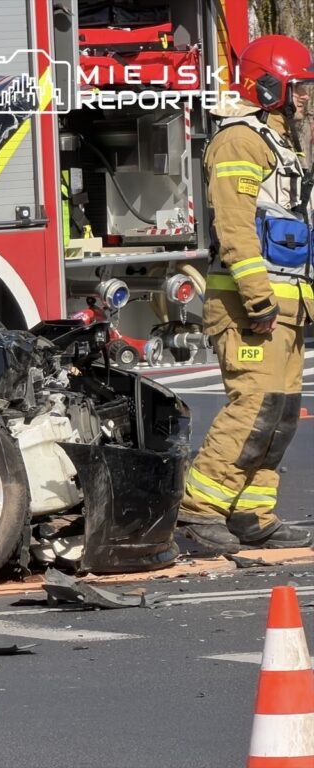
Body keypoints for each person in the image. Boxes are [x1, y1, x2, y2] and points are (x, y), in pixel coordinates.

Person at [178, 35, 314, 554]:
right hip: (249, 307)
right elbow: (235, 227)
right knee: (253, 403)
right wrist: (259, 300)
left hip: (286, 305)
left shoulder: (285, 144)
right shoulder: (241, 140)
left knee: (280, 411)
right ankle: (198, 509)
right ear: (269, 87)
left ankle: (251, 511)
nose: (304, 99)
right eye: (297, 90)